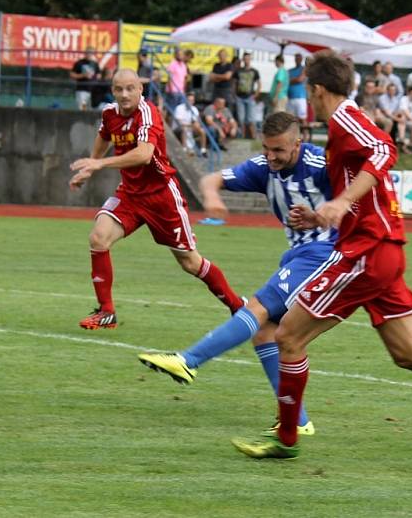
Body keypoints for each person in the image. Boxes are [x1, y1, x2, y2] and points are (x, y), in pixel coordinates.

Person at [230, 50, 412, 475]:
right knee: (410, 353)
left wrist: (342, 201)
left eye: (306, 87)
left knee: (287, 335)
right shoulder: (340, 125)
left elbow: (385, 149)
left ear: (317, 88)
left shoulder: (346, 119)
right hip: (382, 250)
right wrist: (325, 212)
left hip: (366, 252)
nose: (305, 95)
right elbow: (365, 181)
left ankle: (287, 439)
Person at [138, 112, 337, 436]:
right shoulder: (263, 167)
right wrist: (214, 197)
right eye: (266, 148)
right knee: (266, 332)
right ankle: (297, 421)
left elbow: (355, 198)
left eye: (278, 151)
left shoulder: (320, 165)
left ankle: (189, 361)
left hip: (324, 254)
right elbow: (209, 179)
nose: (270, 157)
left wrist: (323, 214)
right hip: (298, 256)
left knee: (256, 309)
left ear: (298, 144)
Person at [68, 69, 244, 329]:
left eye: (130, 88)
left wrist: (99, 164)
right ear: (113, 92)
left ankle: (239, 307)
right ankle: (106, 311)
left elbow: (144, 155)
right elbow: (104, 136)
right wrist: (90, 165)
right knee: (98, 237)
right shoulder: (109, 113)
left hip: (161, 196)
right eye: (119, 89)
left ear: (141, 89)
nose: (125, 94)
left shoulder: (148, 113)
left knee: (190, 262)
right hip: (130, 193)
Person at [234, 52, 261, 139]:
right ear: (243, 59)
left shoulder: (254, 71)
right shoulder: (238, 71)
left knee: (250, 119)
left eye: (248, 58)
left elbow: (259, 84)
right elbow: (234, 83)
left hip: (250, 97)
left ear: (250, 59)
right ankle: (243, 136)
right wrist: (235, 94)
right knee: (241, 119)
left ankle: (254, 136)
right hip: (239, 97)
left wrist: (256, 94)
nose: (246, 60)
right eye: (245, 58)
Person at [173, 91, 207, 157]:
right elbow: (179, 123)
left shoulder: (194, 109)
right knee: (184, 129)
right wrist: (192, 125)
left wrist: (197, 125)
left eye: (192, 100)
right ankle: (185, 149)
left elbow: (196, 121)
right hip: (178, 128)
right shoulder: (179, 108)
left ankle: (203, 150)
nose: (190, 102)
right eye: (189, 100)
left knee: (202, 130)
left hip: (190, 128)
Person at [287, 53, 307, 122]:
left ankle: (306, 133)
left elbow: (300, 79)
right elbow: (286, 81)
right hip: (290, 98)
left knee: (302, 119)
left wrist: (291, 80)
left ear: (301, 59)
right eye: (296, 58)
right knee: (291, 120)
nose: (297, 60)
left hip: (300, 98)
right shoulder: (290, 70)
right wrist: (296, 79)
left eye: (299, 58)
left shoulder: (304, 69)